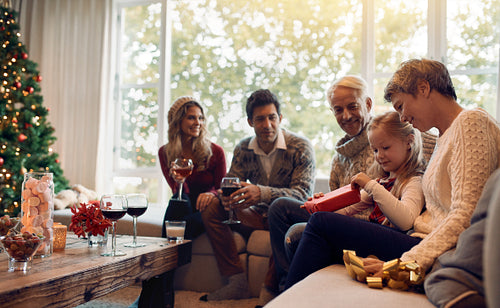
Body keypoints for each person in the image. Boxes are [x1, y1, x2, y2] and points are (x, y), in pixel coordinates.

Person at [284, 58, 500, 291]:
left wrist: (404, 264)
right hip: (416, 236)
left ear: (423, 88)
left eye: (401, 106)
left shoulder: (471, 122)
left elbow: (465, 215)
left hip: (424, 243)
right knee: (308, 231)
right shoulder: (443, 136)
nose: (403, 117)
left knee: (319, 225)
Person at [200, 89, 316, 301]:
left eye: (272, 118)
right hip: (253, 215)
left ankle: (272, 291)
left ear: (280, 118)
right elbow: (230, 181)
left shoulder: (300, 147)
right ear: (250, 122)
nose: (267, 125)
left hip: (284, 217)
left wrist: (262, 193)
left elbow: (302, 195)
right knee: (211, 208)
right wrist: (223, 197)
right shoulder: (243, 148)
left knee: (280, 208)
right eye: (260, 119)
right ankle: (236, 281)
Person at [265, 75, 375, 298]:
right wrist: (325, 201)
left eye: (352, 106)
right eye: (338, 109)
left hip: (364, 224)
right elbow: (339, 198)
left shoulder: (381, 140)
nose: (345, 115)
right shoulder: (340, 156)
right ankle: (287, 287)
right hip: (338, 219)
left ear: (368, 104)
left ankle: (289, 292)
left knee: (296, 232)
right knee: (279, 207)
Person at [424, 168, 500, 308]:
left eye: (385, 148)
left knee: (440, 278)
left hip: (430, 238)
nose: (379, 156)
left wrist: (411, 263)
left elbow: (464, 214)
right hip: (419, 234)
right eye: (375, 150)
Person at [158, 96, 226, 239]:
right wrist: (180, 182)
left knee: (179, 224)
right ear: (178, 121)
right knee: (179, 199)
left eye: (201, 118)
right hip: (185, 205)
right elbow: (178, 191)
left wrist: (211, 194)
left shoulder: (216, 151)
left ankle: (168, 257)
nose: (198, 123)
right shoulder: (165, 152)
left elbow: (222, 189)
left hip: (209, 207)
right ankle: (169, 255)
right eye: (191, 118)